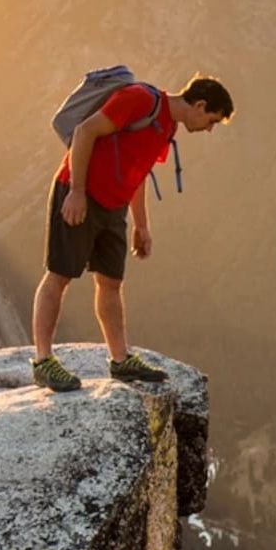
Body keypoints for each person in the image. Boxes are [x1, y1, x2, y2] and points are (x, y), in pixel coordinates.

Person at [30, 74, 234, 391]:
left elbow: (138, 171)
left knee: (111, 282)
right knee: (60, 274)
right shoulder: (140, 100)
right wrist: (77, 192)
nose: (209, 129)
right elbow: (84, 132)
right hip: (80, 192)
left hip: (114, 206)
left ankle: (120, 360)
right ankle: (43, 362)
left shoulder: (167, 126)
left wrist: (141, 225)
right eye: (212, 121)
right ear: (200, 105)